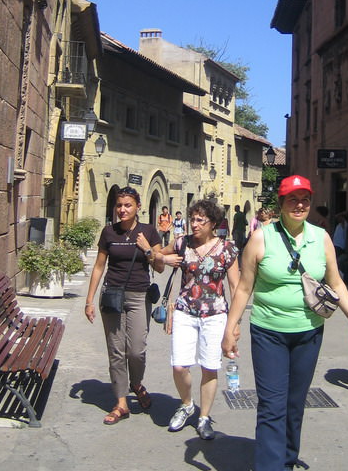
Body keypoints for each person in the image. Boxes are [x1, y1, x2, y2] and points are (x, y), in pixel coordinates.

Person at [222, 174, 348, 471]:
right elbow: (243, 288)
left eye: (304, 199)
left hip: (309, 332)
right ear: (280, 203)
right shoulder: (260, 238)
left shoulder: (322, 238)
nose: (299, 204)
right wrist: (231, 326)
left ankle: (286, 467)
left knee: (295, 402)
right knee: (272, 404)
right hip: (268, 331)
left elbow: (335, 281)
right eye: (292, 199)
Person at [85, 186, 164, 425]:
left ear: (138, 207)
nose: (122, 210)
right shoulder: (109, 233)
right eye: (119, 205)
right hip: (112, 295)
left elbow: (159, 266)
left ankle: (136, 382)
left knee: (136, 349)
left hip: (139, 296)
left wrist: (147, 249)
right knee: (116, 351)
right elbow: (99, 266)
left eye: (127, 205)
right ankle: (121, 402)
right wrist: (89, 300)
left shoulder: (149, 231)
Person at [163, 199, 239, 441]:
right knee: (179, 365)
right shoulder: (181, 243)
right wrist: (163, 259)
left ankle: (204, 417)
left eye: (199, 220)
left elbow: (236, 287)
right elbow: (156, 255)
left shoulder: (226, 249)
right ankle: (186, 405)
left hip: (215, 315)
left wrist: (234, 324)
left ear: (213, 223)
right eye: (192, 219)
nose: (194, 225)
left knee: (209, 366)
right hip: (185, 310)